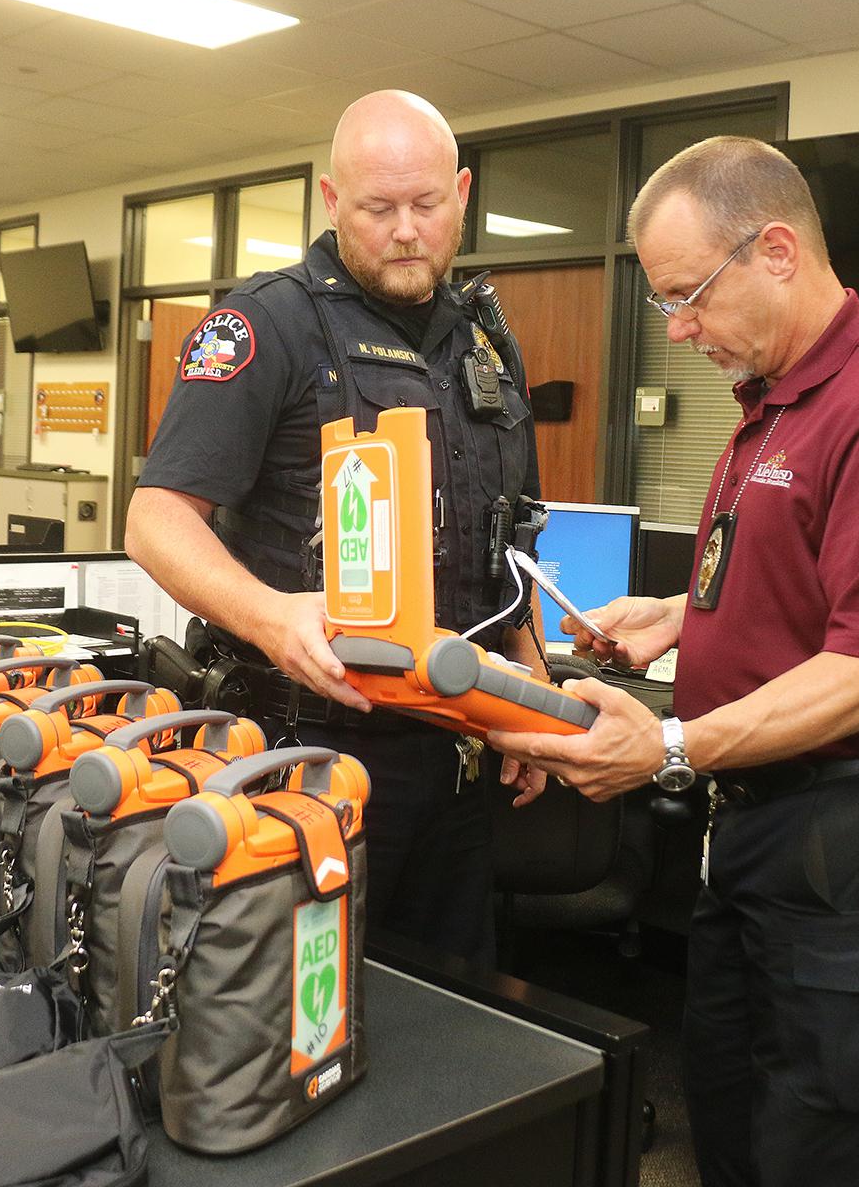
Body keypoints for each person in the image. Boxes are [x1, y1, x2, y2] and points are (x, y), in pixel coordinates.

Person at [486, 136, 859, 1186]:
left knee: (808, 1143)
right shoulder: (773, 407)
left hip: (853, 835)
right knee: (728, 1113)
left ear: (775, 251)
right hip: (759, 828)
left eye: (689, 296)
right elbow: (803, 579)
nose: (677, 330)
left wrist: (671, 744)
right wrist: (680, 614)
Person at [126, 90, 550, 965]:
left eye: (427, 206)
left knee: (452, 1022)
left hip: (459, 750)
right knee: (303, 1023)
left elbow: (509, 544)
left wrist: (533, 692)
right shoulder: (266, 323)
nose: (405, 231)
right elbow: (156, 520)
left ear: (462, 194)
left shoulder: (487, 344)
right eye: (377, 208)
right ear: (330, 200)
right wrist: (271, 616)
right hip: (311, 752)